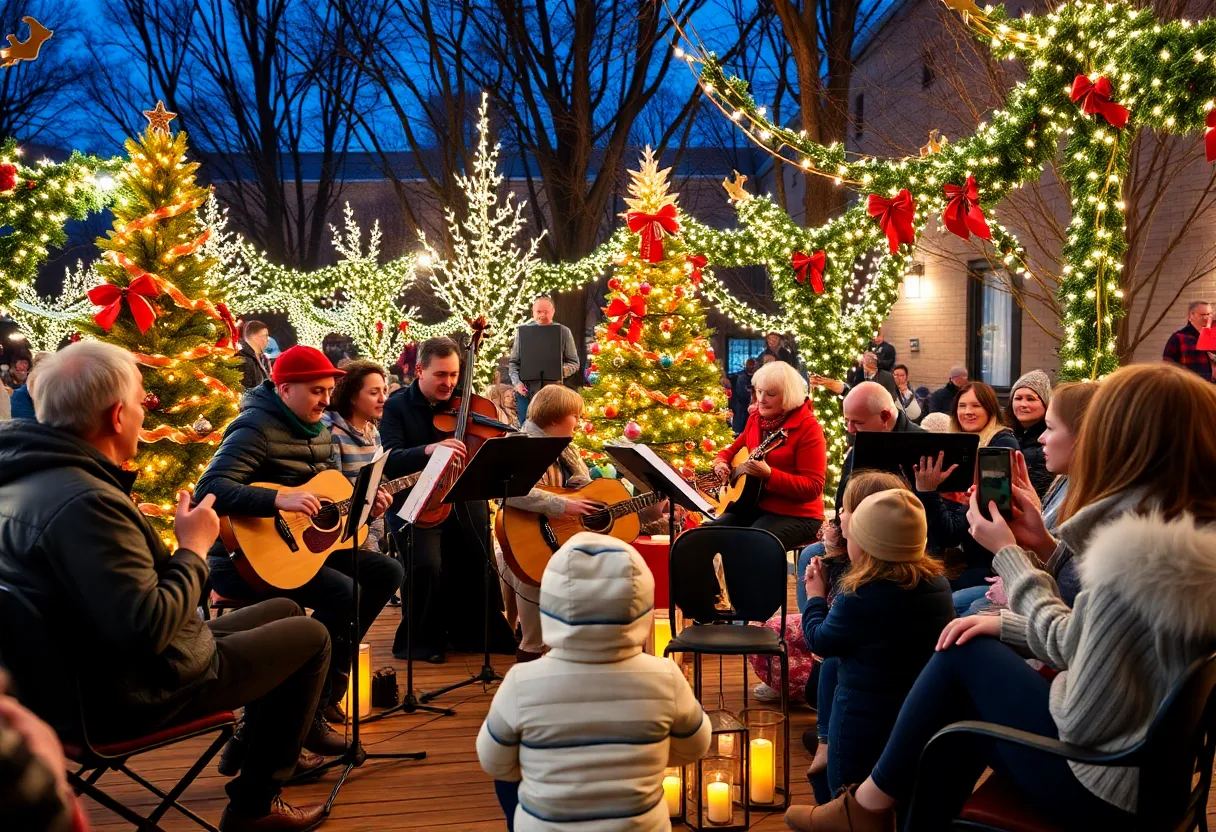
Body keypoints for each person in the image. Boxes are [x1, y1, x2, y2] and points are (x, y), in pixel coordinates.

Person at [786, 362, 1216, 832]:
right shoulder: (1182, 546)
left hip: (1100, 780)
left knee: (962, 659)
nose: (1048, 437)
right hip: (1150, 777)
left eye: (1062, 428)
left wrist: (1009, 552)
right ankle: (875, 807)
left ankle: (866, 805)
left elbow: (1082, 696)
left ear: (1118, 445)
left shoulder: (1137, 558)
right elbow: (1096, 640)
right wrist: (1012, 610)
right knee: (961, 695)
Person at [0, 341, 331, 831]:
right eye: (141, 403)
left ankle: (256, 743)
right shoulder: (86, 502)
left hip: (71, 675)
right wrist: (194, 547)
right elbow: (147, 627)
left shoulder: (25, 480)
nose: (142, 413)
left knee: (282, 609)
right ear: (116, 416)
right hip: (123, 693)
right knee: (311, 638)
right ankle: (255, 806)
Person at [196, 345, 401, 736]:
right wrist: (276, 499)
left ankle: (319, 699)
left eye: (328, 391)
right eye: (317, 391)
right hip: (243, 560)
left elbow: (327, 500)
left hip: (299, 551)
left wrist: (362, 510)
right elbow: (212, 488)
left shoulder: (319, 430)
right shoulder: (253, 427)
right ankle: (296, 714)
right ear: (285, 389)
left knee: (385, 571)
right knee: (344, 594)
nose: (326, 401)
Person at [477, 533, 712, 831]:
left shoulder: (521, 682)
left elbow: (495, 761)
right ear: (641, 603)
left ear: (551, 602)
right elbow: (694, 746)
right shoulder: (666, 676)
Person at [802, 487, 953, 804]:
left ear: (869, 545)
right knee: (900, 797)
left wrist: (816, 596)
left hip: (859, 721)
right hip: (913, 717)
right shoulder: (938, 584)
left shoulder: (860, 593)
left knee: (847, 799)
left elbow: (820, 640)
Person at [380, 336, 518, 662]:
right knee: (427, 565)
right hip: (416, 499)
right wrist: (429, 450)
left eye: (455, 375)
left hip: (460, 492)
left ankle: (474, 633)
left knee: (476, 555)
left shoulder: (465, 402)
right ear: (419, 371)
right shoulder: (397, 406)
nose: (450, 383)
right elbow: (391, 457)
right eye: (441, 375)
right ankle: (424, 641)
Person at [961, 381, 1099, 616]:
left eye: (1050, 427)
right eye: (962, 406)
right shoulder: (1066, 481)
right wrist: (1038, 529)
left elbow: (1069, 604)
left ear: (1084, 435)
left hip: (1045, 618)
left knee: (963, 621)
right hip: (1036, 604)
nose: (1041, 438)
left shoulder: (1103, 509)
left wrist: (1007, 549)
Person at [497, 384, 601, 663]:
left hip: (564, 538)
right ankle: (531, 654)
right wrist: (562, 504)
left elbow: (582, 492)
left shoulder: (569, 450)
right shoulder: (519, 444)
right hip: (524, 540)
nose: (579, 422)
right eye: (575, 416)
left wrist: (586, 490)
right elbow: (512, 490)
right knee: (536, 576)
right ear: (556, 418)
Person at [795, 382, 922, 609]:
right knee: (810, 555)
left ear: (884, 416)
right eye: (847, 422)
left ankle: (827, 625)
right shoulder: (863, 440)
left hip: (892, 544)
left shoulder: (921, 444)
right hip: (854, 535)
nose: (850, 430)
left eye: (857, 422)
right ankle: (814, 626)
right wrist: (836, 527)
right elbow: (844, 490)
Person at [913, 381, 1017, 602]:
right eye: (962, 406)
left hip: (987, 561)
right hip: (957, 547)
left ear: (990, 408)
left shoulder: (1000, 444)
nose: (967, 412)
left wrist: (932, 493)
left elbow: (991, 510)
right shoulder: (954, 445)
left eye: (975, 406)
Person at [710, 360, 826, 551]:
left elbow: (813, 487)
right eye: (759, 391)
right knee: (707, 534)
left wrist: (770, 475)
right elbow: (732, 450)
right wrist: (721, 462)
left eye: (770, 394)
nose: (761, 399)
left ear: (789, 397)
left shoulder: (808, 428)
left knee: (752, 544)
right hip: (754, 506)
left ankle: (749, 581)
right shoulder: (756, 419)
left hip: (798, 514)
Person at [321, 360, 391, 557]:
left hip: (371, 521)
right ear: (352, 397)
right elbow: (332, 491)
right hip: (343, 530)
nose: (383, 399)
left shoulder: (373, 430)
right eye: (374, 392)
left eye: (384, 391)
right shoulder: (332, 432)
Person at [508, 295, 580, 425]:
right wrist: (517, 383)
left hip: (553, 393)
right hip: (526, 392)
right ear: (533, 312)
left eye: (545, 312)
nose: (542, 315)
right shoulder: (522, 332)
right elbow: (513, 363)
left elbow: (574, 363)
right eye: (538, 312)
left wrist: (559, 370)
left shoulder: (564, 332)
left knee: (550, 429)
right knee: (527, 430)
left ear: (553, 311)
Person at [1006, 369, 1053, 498]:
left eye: (1031, 399)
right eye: (1018, 398)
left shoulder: (1046, 445)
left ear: (1045, 404)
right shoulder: (1006, 434)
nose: (1023, 404)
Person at [1162, 299, 1213, 381]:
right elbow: (1168, 365)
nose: (1207, 318)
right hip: (1190, 387)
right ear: (1191, 315)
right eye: (1203, 315)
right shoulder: (1178, 337)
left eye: (1209, 314)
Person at [237, 320, 273, 390]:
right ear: (255, 338)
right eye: (265, 336)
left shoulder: (262, 359)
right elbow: (245, 394)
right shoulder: (244, 361)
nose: (267, 340)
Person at [731, 357, 756, 433]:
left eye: (753, 365)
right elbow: (743, 394)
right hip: (742, 409)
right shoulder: (741, 378)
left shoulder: (757, 377)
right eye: (750, 364)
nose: (752, 367)